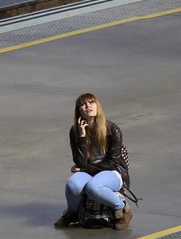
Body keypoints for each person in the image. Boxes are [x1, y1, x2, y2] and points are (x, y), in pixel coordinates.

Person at [56, 93, 134, 230]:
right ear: (78, 110)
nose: (87, 106)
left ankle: (122, 209)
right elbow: (80, 162)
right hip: (89, 170)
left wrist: (85, 169)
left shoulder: (112, 129)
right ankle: (73, 212)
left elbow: (113, 162)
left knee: (93, 187)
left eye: (91, 103)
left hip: (112, 171)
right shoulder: (74, 131)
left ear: (97, 106)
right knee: (72, 185)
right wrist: (81, 137)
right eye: (83, 104)